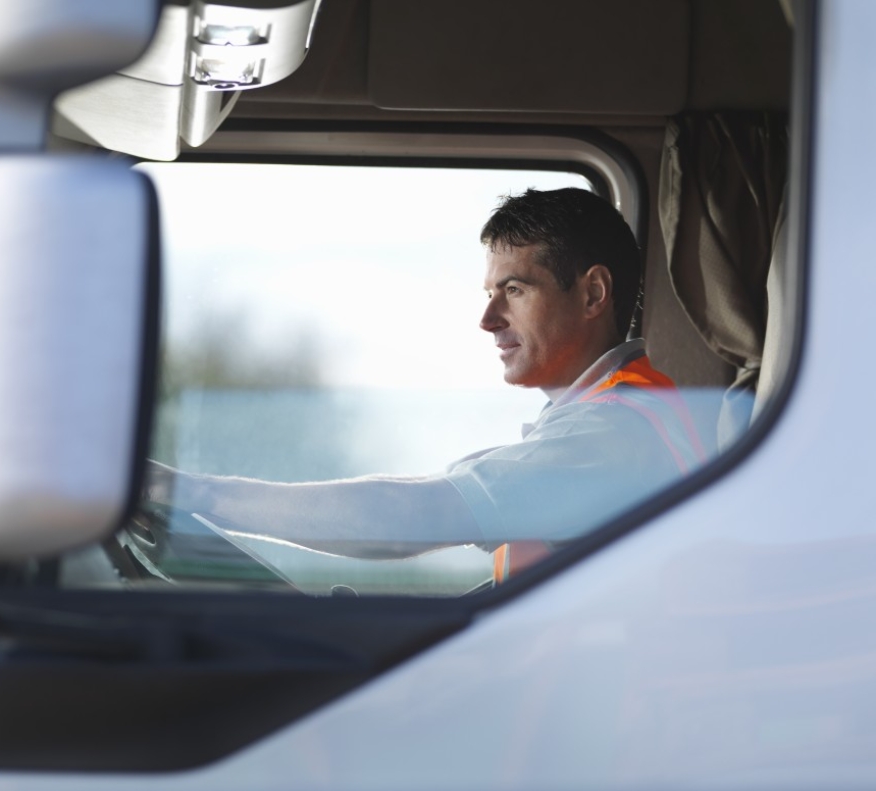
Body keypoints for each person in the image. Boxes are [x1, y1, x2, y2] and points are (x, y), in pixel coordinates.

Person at [144, 188, 707, 581]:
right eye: (490, 293)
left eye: (514, 290)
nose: (488, 320)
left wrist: (195, 495)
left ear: (592, 294)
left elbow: (401, 518)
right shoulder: (620, 411)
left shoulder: (609, 433)